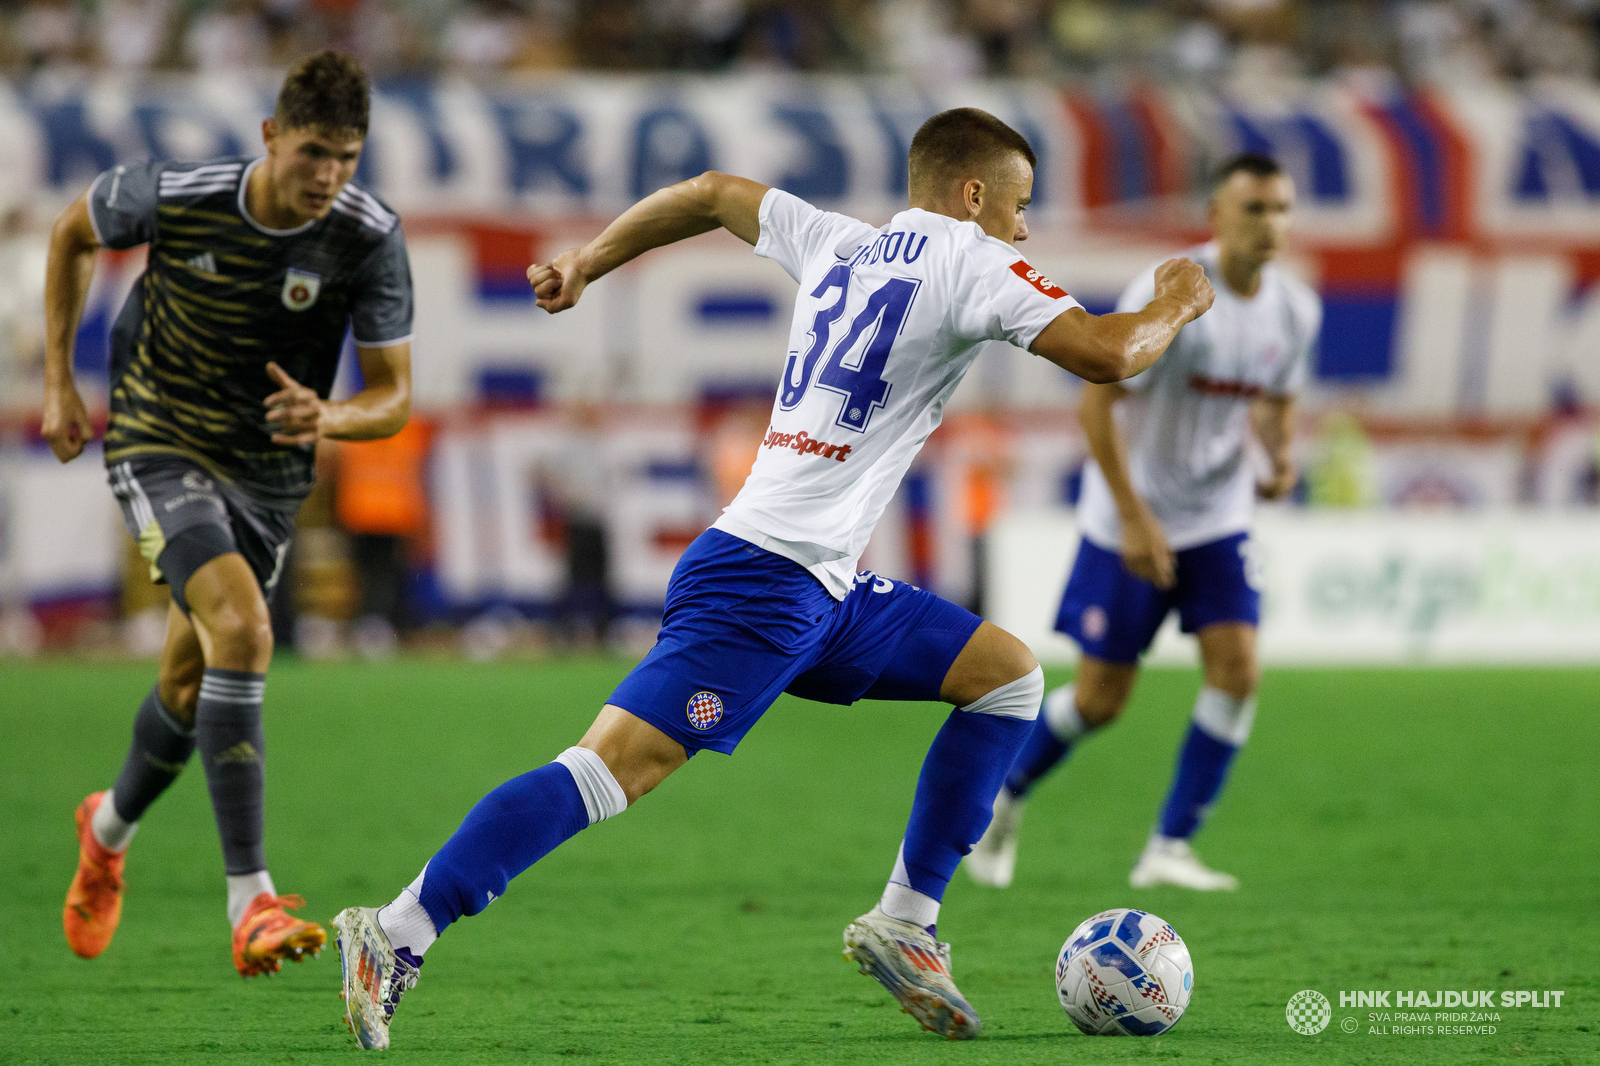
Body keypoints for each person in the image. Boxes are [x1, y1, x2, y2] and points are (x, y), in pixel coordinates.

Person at [329, 107, 1213, 1050]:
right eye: (1020, 205)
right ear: (972, 195)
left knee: (1007, 676)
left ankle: (906, 924)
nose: (1024, 228)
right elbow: (1111, 354)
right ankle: (395, 931)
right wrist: (1178, 300)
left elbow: (710, 195)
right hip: (763, 582)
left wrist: (590, 259)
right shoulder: (973, 259)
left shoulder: (837, 240)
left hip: (817, 583)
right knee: (607, 771)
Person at [43, 51, 414, 976]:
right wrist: (60, 382)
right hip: (158, 438)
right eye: (313, 152)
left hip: (268, 480)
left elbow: (395, 397)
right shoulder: (177, 195)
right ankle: (250, 900)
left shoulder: (367, 236)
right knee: (244, 631)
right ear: (270, 137)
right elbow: (69, 235)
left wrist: (330, 414)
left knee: (187, 680)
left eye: (348, 158)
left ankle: (109, 830)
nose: (329, 175)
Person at [964, 153, 1319, 893]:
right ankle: (1008, 790)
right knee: (1100, 701)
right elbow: (1098, 403)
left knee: (1238, 671)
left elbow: (1278, 399)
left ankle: (1170, 846)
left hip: (1218, 519)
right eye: (1254, 208)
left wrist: (1281, 459)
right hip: (1129, 516)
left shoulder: (1295, 311)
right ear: (1217, 215)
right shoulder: (1175, 292)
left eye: (1281, 208)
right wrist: (1133, 519)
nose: (1270, 223)